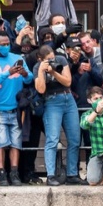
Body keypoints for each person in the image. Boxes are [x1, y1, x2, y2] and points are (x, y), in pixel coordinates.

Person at [0, 31, 32, 186]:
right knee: (0, 143)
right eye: (2, 44)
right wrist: (7, 73)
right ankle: (1, 173)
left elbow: (30, 79)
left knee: (16, 143)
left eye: (8, 43)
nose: (6, 46)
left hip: (17, 109)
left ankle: (14, 173)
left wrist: (24, 73)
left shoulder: (18, 58)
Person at [34, 44, 82, 186]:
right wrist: (42, 71)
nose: (52, 61)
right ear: (40, 59)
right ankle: (50, 175)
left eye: (53, 58)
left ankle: (72, 174)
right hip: (52, 101)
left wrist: (53, 72)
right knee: (52, 139)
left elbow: (68, 81)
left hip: (68, 98)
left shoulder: (61, 60)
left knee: (74, 139)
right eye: (49, 60)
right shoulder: (37, 68)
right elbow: (41, 90)